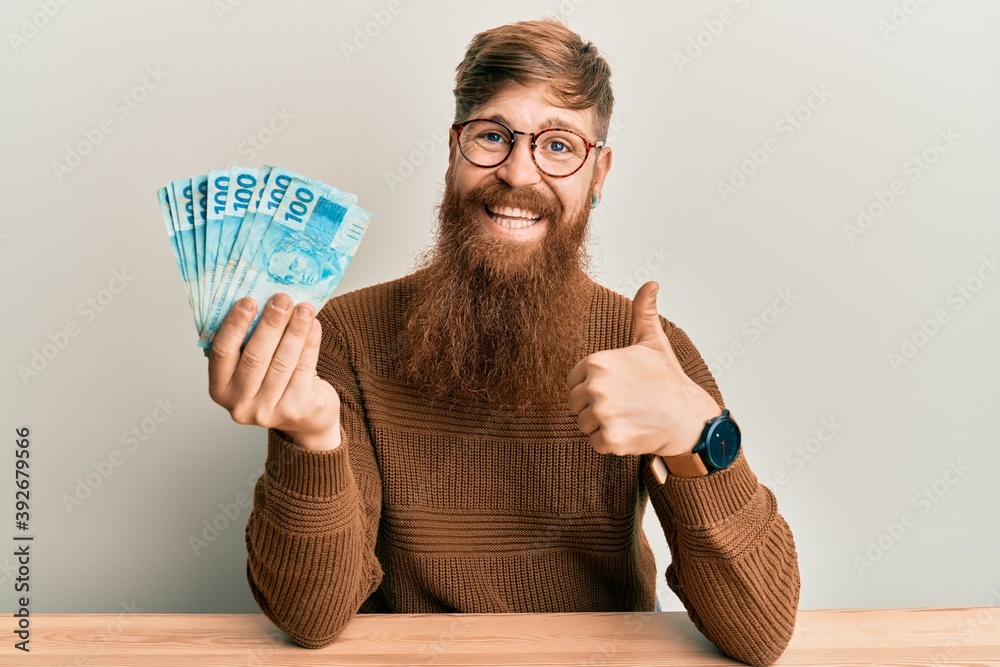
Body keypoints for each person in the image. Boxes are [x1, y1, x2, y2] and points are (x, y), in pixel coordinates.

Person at [207, 18, 800, 667]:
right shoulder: (347, 336)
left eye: (558, 145)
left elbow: (761, 632)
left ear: (598, 172)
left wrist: (701, 435)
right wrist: (312, 439)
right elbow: (311, 618)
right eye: (493, 136)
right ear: (454, 150)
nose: (518, 173)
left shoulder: (644, 347)